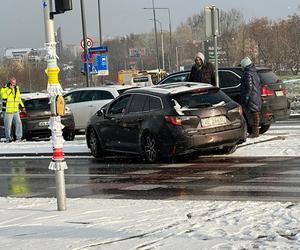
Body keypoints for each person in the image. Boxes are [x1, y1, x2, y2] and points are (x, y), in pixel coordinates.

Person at [240, 57, 262, 138]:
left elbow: (249, 87)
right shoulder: (253, 72)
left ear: (245, 65)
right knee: (255, 115)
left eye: (242, 66)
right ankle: (255, 132)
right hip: (255, 96)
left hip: (251, 97)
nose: (241, 67)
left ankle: (255, 132)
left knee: (253, 115)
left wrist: (246, 97)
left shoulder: (247, 74)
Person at [0, 77, 25, 142]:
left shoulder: (17, 88)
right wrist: (9, 89)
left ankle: (19, 137)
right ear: (10, 82)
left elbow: (18, 98)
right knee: (8, 125)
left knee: (19, 123)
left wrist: (22, 106)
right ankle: (8, 138)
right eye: (12, 83)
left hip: (15, 110)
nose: (14, 84)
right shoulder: (4, 88)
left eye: (15, 83)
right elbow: (4, 96)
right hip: (8, 111)